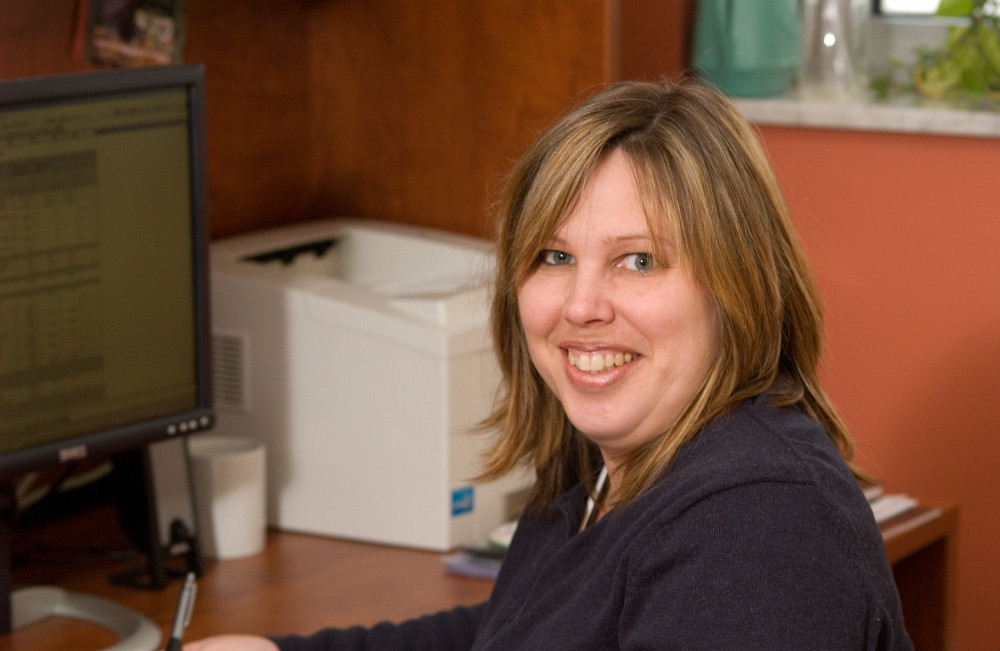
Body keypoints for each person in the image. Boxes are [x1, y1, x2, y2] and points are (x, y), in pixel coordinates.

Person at [185, 80, 913, 650]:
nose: (582, 304)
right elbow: (517, 632)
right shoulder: (605, 461)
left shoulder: (757, 519)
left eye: (639, 260)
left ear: (737, 286)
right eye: (554, 257)